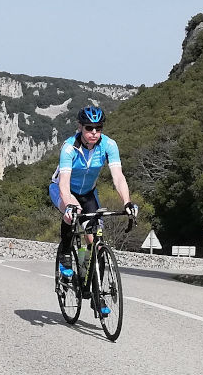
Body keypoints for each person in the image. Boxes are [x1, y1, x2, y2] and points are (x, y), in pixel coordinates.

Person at [49, 105, 138, 290]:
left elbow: (118, 177)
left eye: (98, 128)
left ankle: (96, 290)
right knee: (72, 214)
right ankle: (65, 254)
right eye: (89, 128)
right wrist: (69, 205)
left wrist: (127, 202)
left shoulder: (109, 145)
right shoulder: (69, 148)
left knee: (96, 241)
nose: (94, 132)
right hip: (62, 189)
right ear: (80, 126)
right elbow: (64, 183)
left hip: (89, 193)